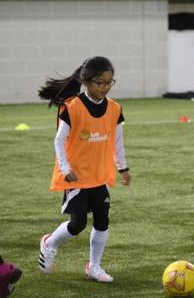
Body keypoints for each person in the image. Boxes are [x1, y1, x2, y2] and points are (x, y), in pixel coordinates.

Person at [37, 57, 132, 282]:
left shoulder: (115, 109)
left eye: (110, 82)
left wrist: (123, 168)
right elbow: (59, 141)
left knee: (102, 221)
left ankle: (94, 267)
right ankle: (48, 243)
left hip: (99, 175)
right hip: (77, 176)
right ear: (86, 82)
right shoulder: (72, 108)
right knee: (77, 224)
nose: (105, 87)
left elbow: (118, 142)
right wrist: (66, 167)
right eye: (100, 82)